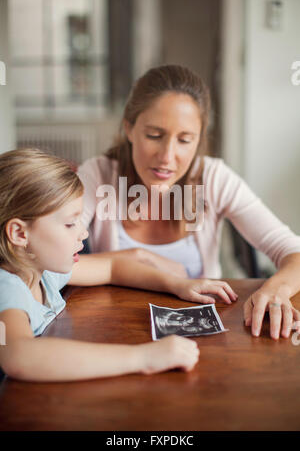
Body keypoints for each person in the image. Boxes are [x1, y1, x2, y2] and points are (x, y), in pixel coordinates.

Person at [77, 64, 300, 341]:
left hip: (200, 343)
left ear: (198, 141)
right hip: (116, 334)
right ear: (129, 129)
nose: (167, 156)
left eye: (184, 140)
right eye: (154, 136)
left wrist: (277, 288)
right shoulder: (97, 175)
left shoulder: (214, 178)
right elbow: (51, 261)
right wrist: (135, 258)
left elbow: (294, 252)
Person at [0, 147, 231, 383]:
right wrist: (143, 357)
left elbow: (113, 267)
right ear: (19, 233)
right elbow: (20, 356)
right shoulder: (7, 288)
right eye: (70, 224)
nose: (83, 232)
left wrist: (177, 284)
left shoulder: (41, 271)